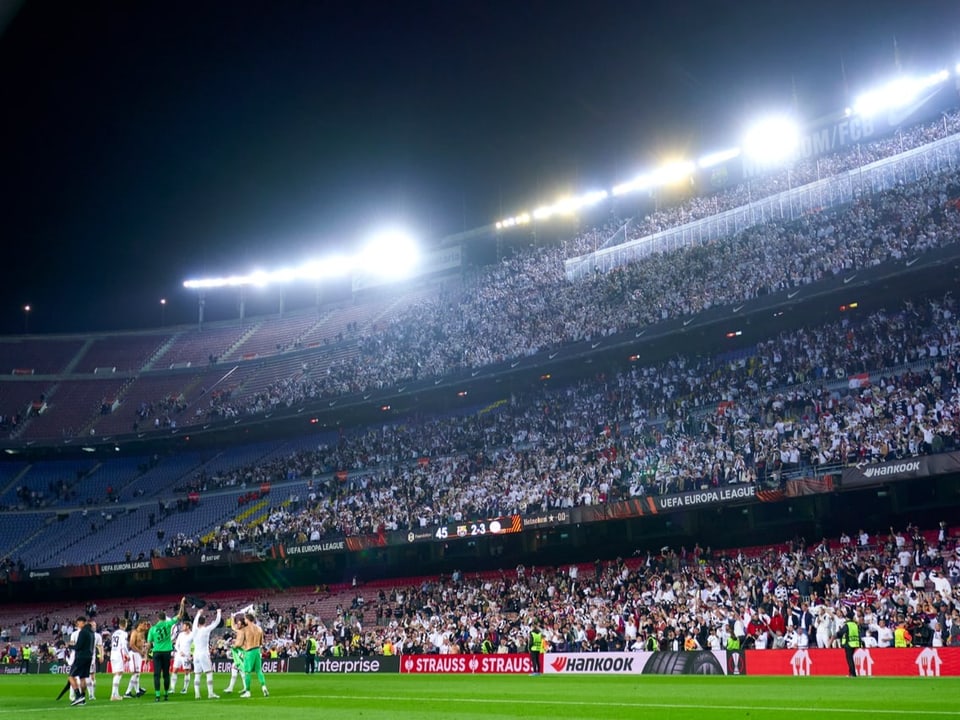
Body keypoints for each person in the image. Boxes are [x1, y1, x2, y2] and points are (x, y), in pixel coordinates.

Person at [146, 597, 186, 702]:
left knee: (156, 674)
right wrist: (182, 604)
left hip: (156, 652)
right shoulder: (168, 624)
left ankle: (157, 696)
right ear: (165, 618)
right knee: (166, 674)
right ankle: (166, 694)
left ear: (158, 619)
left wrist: (146, 656)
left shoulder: (152, 629)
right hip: (166, 652)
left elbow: (149, 644)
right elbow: (180, 615)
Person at [190, 606, 221, 699]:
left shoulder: (194, 630)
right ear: (205, 622)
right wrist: (219, 612)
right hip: (204, 654)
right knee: (209, 673)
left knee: (197, 674)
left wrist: (198, 613)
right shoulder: (206, 630)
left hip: (196, 655)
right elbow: (216, 622)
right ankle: (210, 693)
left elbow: (194, 622)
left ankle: (197, 694)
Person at [237, 612, 268, 698]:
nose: (244, 620)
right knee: (259, 671)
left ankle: (248, 691)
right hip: (257, 650)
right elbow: (262, 642)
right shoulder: (259, 629)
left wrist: (234, 646)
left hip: (249, 651)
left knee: (247, 672)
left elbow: (239, 643)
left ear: (247, 619)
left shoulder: (245, 629)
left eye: (245, 619)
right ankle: (264, 687)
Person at [67, 616, 95, 706]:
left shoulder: (83, 632)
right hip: (89, 657)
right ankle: (83, 698)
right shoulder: (92, 633)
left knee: (71, 676)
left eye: (78, 623)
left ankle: (78, 696)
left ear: (83, 622)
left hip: (81, 657)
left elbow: (78, 646)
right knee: (83, 678)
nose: (77, 625)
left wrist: (70, 646)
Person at [124, 621, 149, 698]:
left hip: (139, 654)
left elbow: (142, 643)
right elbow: (131, 644)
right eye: (144, 624)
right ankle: (127, 692)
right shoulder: (134, 632)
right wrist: (140, 651)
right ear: (140, 624)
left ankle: (138, 691)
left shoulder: (142, 633)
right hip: (134, 654)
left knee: (137, 674)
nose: (146, 626)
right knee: (135, 673)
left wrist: (144, 652)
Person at [109, 619, 130, 701]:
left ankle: (116, 694)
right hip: (118, 655)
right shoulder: (124, 634)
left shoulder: (114, 633)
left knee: (116, 674)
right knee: (119, 673)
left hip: (113, 654)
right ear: (125, 625)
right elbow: (123, 646)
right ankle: (113, 695)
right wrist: (127, 655)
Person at [170, 619, 192, 694]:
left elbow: (194, 646)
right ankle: (172, 688)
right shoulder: (181, 634)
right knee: (174, 670)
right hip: (179, 655)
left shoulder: (192, 635)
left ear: (188, 627)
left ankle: (185, 688)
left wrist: (191, 655)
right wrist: (180, 652)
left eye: (184, 626)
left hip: (187, 656)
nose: (182, 627)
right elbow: (176, 645)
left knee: (186, 671)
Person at [836, 611, 861, 678]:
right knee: (850, 658)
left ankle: (853, 673)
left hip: (849, 643)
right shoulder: (855, 624)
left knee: (849, 659)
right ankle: (851, 673)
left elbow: (841, 633)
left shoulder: (847, 625)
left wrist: (838, 634)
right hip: (855, 642)